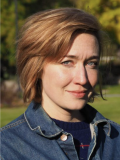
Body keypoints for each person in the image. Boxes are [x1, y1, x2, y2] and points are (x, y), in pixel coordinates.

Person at [0, 8, 120, 160]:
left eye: (91, 63)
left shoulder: (115, 140)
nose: (82, 79)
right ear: (36, 67)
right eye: (67, 62)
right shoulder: (6, 148)